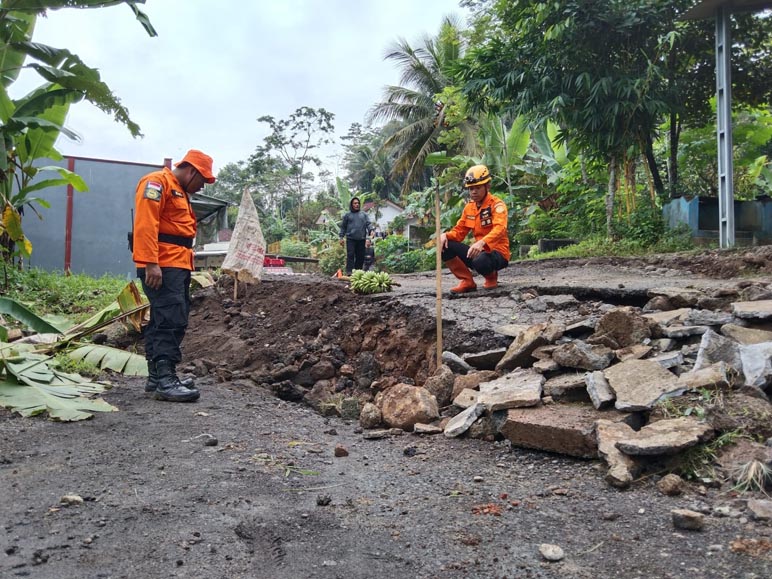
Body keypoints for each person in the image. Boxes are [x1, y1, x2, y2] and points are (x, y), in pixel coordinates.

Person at [132, 149, 216, 402]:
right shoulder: (157, 183)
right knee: (171, 320)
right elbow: (146, 223)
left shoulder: (179, 190)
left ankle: (157, 377)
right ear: (192, 171)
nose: (200, 187)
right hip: (162, 265)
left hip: (175, 264)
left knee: (162, 318)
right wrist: (150, 263)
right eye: (201, 181)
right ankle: (166, 380)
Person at [439, 164, 510, 293]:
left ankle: (491, 276)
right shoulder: (469, 208)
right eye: (471, 189)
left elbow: (500, 229)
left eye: (477, 188)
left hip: (497, 253)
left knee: (481, 261)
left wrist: (482, 242)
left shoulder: (497, 205)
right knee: (444, 246)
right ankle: (467, 281)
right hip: (477, 251)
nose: (473, 192)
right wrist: (445, 236)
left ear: (487, 186)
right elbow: (459, 232)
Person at [339, 196, 371, 275]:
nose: (357, 205)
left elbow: (368, 224)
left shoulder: (363, 215)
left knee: (360, 257)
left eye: (358, 203)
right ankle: (349, 272)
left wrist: (371, 230)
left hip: (361, 239)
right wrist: (341, 237)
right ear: (351, 205)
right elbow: (343, 227)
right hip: (351, 239)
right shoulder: (347, 215)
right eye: (355, 203)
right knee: (350, 255)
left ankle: (358, 273)